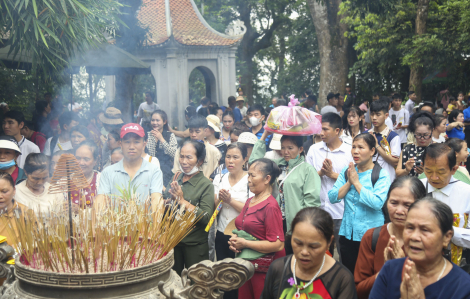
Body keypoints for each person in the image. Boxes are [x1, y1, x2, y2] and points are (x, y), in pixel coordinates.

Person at [369, 197, 470, 299]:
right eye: (410, 228)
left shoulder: (463, 287)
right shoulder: (390, 270)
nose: (414, 237)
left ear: (446, 237)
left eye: (425, 230)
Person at [354, 176, 426, 299]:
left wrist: (401, 267)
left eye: (407, 205)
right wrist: (387, 271)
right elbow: (359, 290)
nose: (399, 211)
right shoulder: (372, 237)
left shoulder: (427, 242)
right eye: (393, 203)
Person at [261, 207, 358, 299]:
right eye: (298, 243)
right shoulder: (278, 268)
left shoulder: (342, 280)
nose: (304, 252)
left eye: (313, 246)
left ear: (329, 242)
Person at [328, 133, 390, 274]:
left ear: (372, 151)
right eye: (354, 147)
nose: (355, 151)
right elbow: (332, 197)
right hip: (347, 234)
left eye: (361, 147)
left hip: (372, 237)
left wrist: (356, 183)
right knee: (348, 275)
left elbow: (377, 203)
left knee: (370, 276)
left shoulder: (381, 174)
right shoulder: (347, 171)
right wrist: (349, 182)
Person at [251, 131, 320, 255]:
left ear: (300, 149)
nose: (285, 152)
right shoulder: (279, 165)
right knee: (280, 257)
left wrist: (304, 225)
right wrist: (264, 136)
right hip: (277, 220)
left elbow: (312, 202)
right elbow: (255, 164)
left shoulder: (307, 170)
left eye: (290, 148)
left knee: (295, 257)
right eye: (283, 148)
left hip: (296, 223)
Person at [229, 158, 285, 299]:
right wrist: (235, 240)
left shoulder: (270, 206)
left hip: (264, 270)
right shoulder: (250, 201)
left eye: (252, 175)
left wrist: (245, 243)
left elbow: (278, 244)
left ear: (267, 179)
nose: (248, 179)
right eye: (248, 175)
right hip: (247, 267)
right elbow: (244, 228)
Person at [163, 140, 215, 274]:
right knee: (174, 281)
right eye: (181, 156)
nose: (183, 161)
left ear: (200, 161)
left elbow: (206, 218)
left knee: (196, 283)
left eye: (189, 157)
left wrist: (182, 201)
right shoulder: (177, 177)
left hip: (194, 244)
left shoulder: (205, 185)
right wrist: (168, 202)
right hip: (173, 241)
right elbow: (165, 201)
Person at [307, 113, 353, 260]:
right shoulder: (314, 150)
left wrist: (333, 174)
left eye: (326, 129)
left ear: (337, 131)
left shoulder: (350, 152)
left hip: (342, 211)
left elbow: (355, 179)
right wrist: (321, 172)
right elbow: (307, 178)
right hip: (319, 210)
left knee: (344, 254)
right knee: (319, 255)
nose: (321, 133)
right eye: (320, 129)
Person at [213, 143, 253, 299]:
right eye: (228, 157)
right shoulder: (220, 177)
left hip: (242, 235)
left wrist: (229, 200)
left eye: (235, 157)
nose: (230, 161)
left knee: (240, 274)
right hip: (222, 231)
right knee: (225, 274)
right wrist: (220, 201)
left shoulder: (249, 179)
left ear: (244, 160)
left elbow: (251, 209)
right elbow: (215, 209)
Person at [420, 143, 470, 265]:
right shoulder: (417, 188)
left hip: (456, 265)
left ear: (454, 169)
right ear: (422, 166)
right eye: (428, 171)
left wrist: (447, 232)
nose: (434, 177)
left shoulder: (466, 193)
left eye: (441, 172)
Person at [96, 123, 163, 207]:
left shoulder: (154, 171)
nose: (131, 146)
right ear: (121, 144)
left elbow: (156, 200)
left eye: (136, 142)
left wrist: (156, 219)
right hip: (116, 220)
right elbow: (100, 201)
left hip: (145, 220)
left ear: (144, 145)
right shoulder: (108, 172)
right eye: (127, 142)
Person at [369, 99, 401, 182]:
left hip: (386, 179)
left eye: (378, 114)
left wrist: (377, 146)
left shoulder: (393, 136)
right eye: (372, 114)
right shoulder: (366, 134)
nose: (374, 118)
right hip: (367, 178)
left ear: (386, 116)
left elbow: (394, 161)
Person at [396, 111, 434, 177]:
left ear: (432, 131)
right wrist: (406, 170)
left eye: (426, 135)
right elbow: (398, 173)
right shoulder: (407, 149)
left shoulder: (436, 149)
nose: (422, 138)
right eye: (419, 135)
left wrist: (425, 171)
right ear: (414, 132)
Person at [146, 110, 177, 187]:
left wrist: (162, 139)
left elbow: (174, 154)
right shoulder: (147, 135)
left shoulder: (170, 135)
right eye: (153, 120)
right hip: (149, 171)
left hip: (166, 172)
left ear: (164, 121)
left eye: (157, 120)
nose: (155, 123)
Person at [71, 141, 101, 208]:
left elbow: (104, 209)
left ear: (96, 160)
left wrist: (80, 211)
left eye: (86, 159)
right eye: (78, 158)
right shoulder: (65, 182)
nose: (81, 163)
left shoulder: (102, 181)